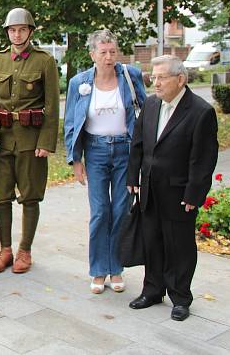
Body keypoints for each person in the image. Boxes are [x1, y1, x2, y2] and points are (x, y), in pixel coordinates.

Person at [126, 55, 218, 321]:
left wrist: (194, 193)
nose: (155, 83)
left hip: (179, 193)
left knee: (179, 246)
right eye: (152, 77)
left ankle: (180, 297)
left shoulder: (201, 111)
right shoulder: (152, 104)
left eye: (161, 77)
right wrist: (133, 177)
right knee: (151, 240)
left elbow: (203, 159)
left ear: (180, 79)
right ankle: (153, 290)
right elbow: (138, 144)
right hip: (150, 189)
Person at [64, 29, 146, 294]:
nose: (109, 57)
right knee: (101, 212)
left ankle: (117, 268)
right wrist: (75, 159)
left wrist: (144, 156)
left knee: (121, 210)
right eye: (103, 52)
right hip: (96, 151)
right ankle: (98, 270)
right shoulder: (80, 82)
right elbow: (71, 123)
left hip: (125, 151)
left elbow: (144, 114)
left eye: (113, 51)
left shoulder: (130, 76)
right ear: (93, 55)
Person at [0, 8, 60, 274]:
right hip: (3, 139)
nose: (17, 34)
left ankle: (24, 251)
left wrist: (46, 142)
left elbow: (51, 105)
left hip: (30, 140)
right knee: (1, 197)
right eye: (13, 30)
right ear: (7, 32)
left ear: (30, 32)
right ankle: (5, 250)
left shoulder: (44, 61)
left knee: (29, 197)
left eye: (22, 29)